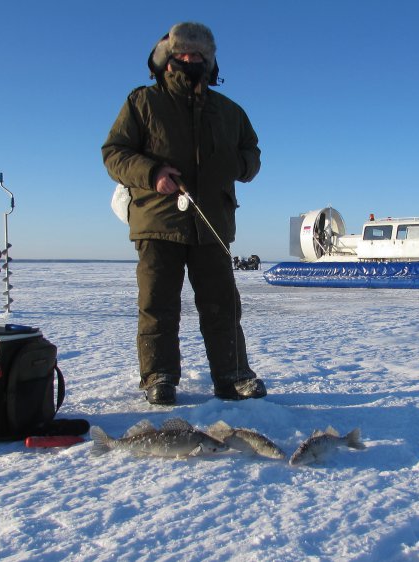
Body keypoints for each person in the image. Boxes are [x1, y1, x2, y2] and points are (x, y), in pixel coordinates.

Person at [102, 22, 265, 405]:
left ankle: (233, 375)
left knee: (222, 305)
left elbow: (253, 155)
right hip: (157, 221)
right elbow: (114, 153)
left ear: (210, 60)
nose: (191, 59)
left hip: (212, 224)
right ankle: (159, 377)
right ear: (169, 57)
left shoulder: (230, 111)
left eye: (199, 54)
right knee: (158, 305)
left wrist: (237, 164)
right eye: (184, 53)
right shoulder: (142, 102)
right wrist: (152, 173)